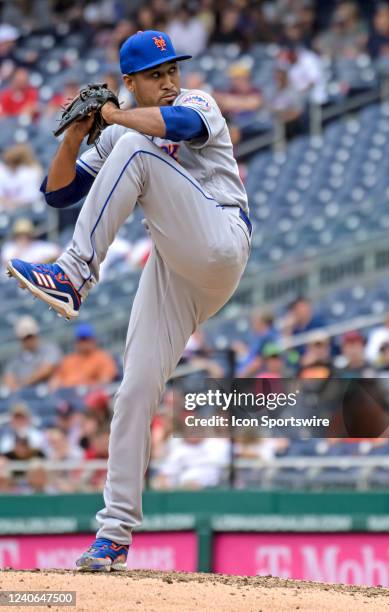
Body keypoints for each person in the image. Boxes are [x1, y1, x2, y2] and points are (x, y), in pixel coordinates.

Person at [6, 29, 250, 571]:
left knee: (138, 147)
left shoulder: (194, 104)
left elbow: (179, 128)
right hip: (173, 268)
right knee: (135, 390)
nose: (169, 82)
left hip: (220, 238)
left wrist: (115, 118)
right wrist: (74, 135)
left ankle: (72, 274)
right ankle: (113, 537)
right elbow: (61, 194)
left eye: (171, 71)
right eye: (156, 75)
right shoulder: (124, 132)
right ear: (131, 82)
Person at [1, 316, 62, 392]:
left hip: (47, 395)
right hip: (25, 398)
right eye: (25, 338)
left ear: (36, 334)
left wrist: (22, 385)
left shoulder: (50, 349)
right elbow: (8, 379)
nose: (29, 340)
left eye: (30, 336)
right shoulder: (15, 360)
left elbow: (46, 371)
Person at [49, 323, 117, 389]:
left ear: (93, 340)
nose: (84, 343)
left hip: (88, 395)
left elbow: (105, 382)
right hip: (67, 396)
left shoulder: (103, 358)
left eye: (86, 339)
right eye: (81, 340)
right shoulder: (68, 360)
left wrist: (87, 387)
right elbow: (55, 381)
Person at [0, 144, 43, 210]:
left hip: (26, 210)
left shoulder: (30, 173)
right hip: (6, 210)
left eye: (14, 161)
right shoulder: (2, 171)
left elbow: (31, 199)